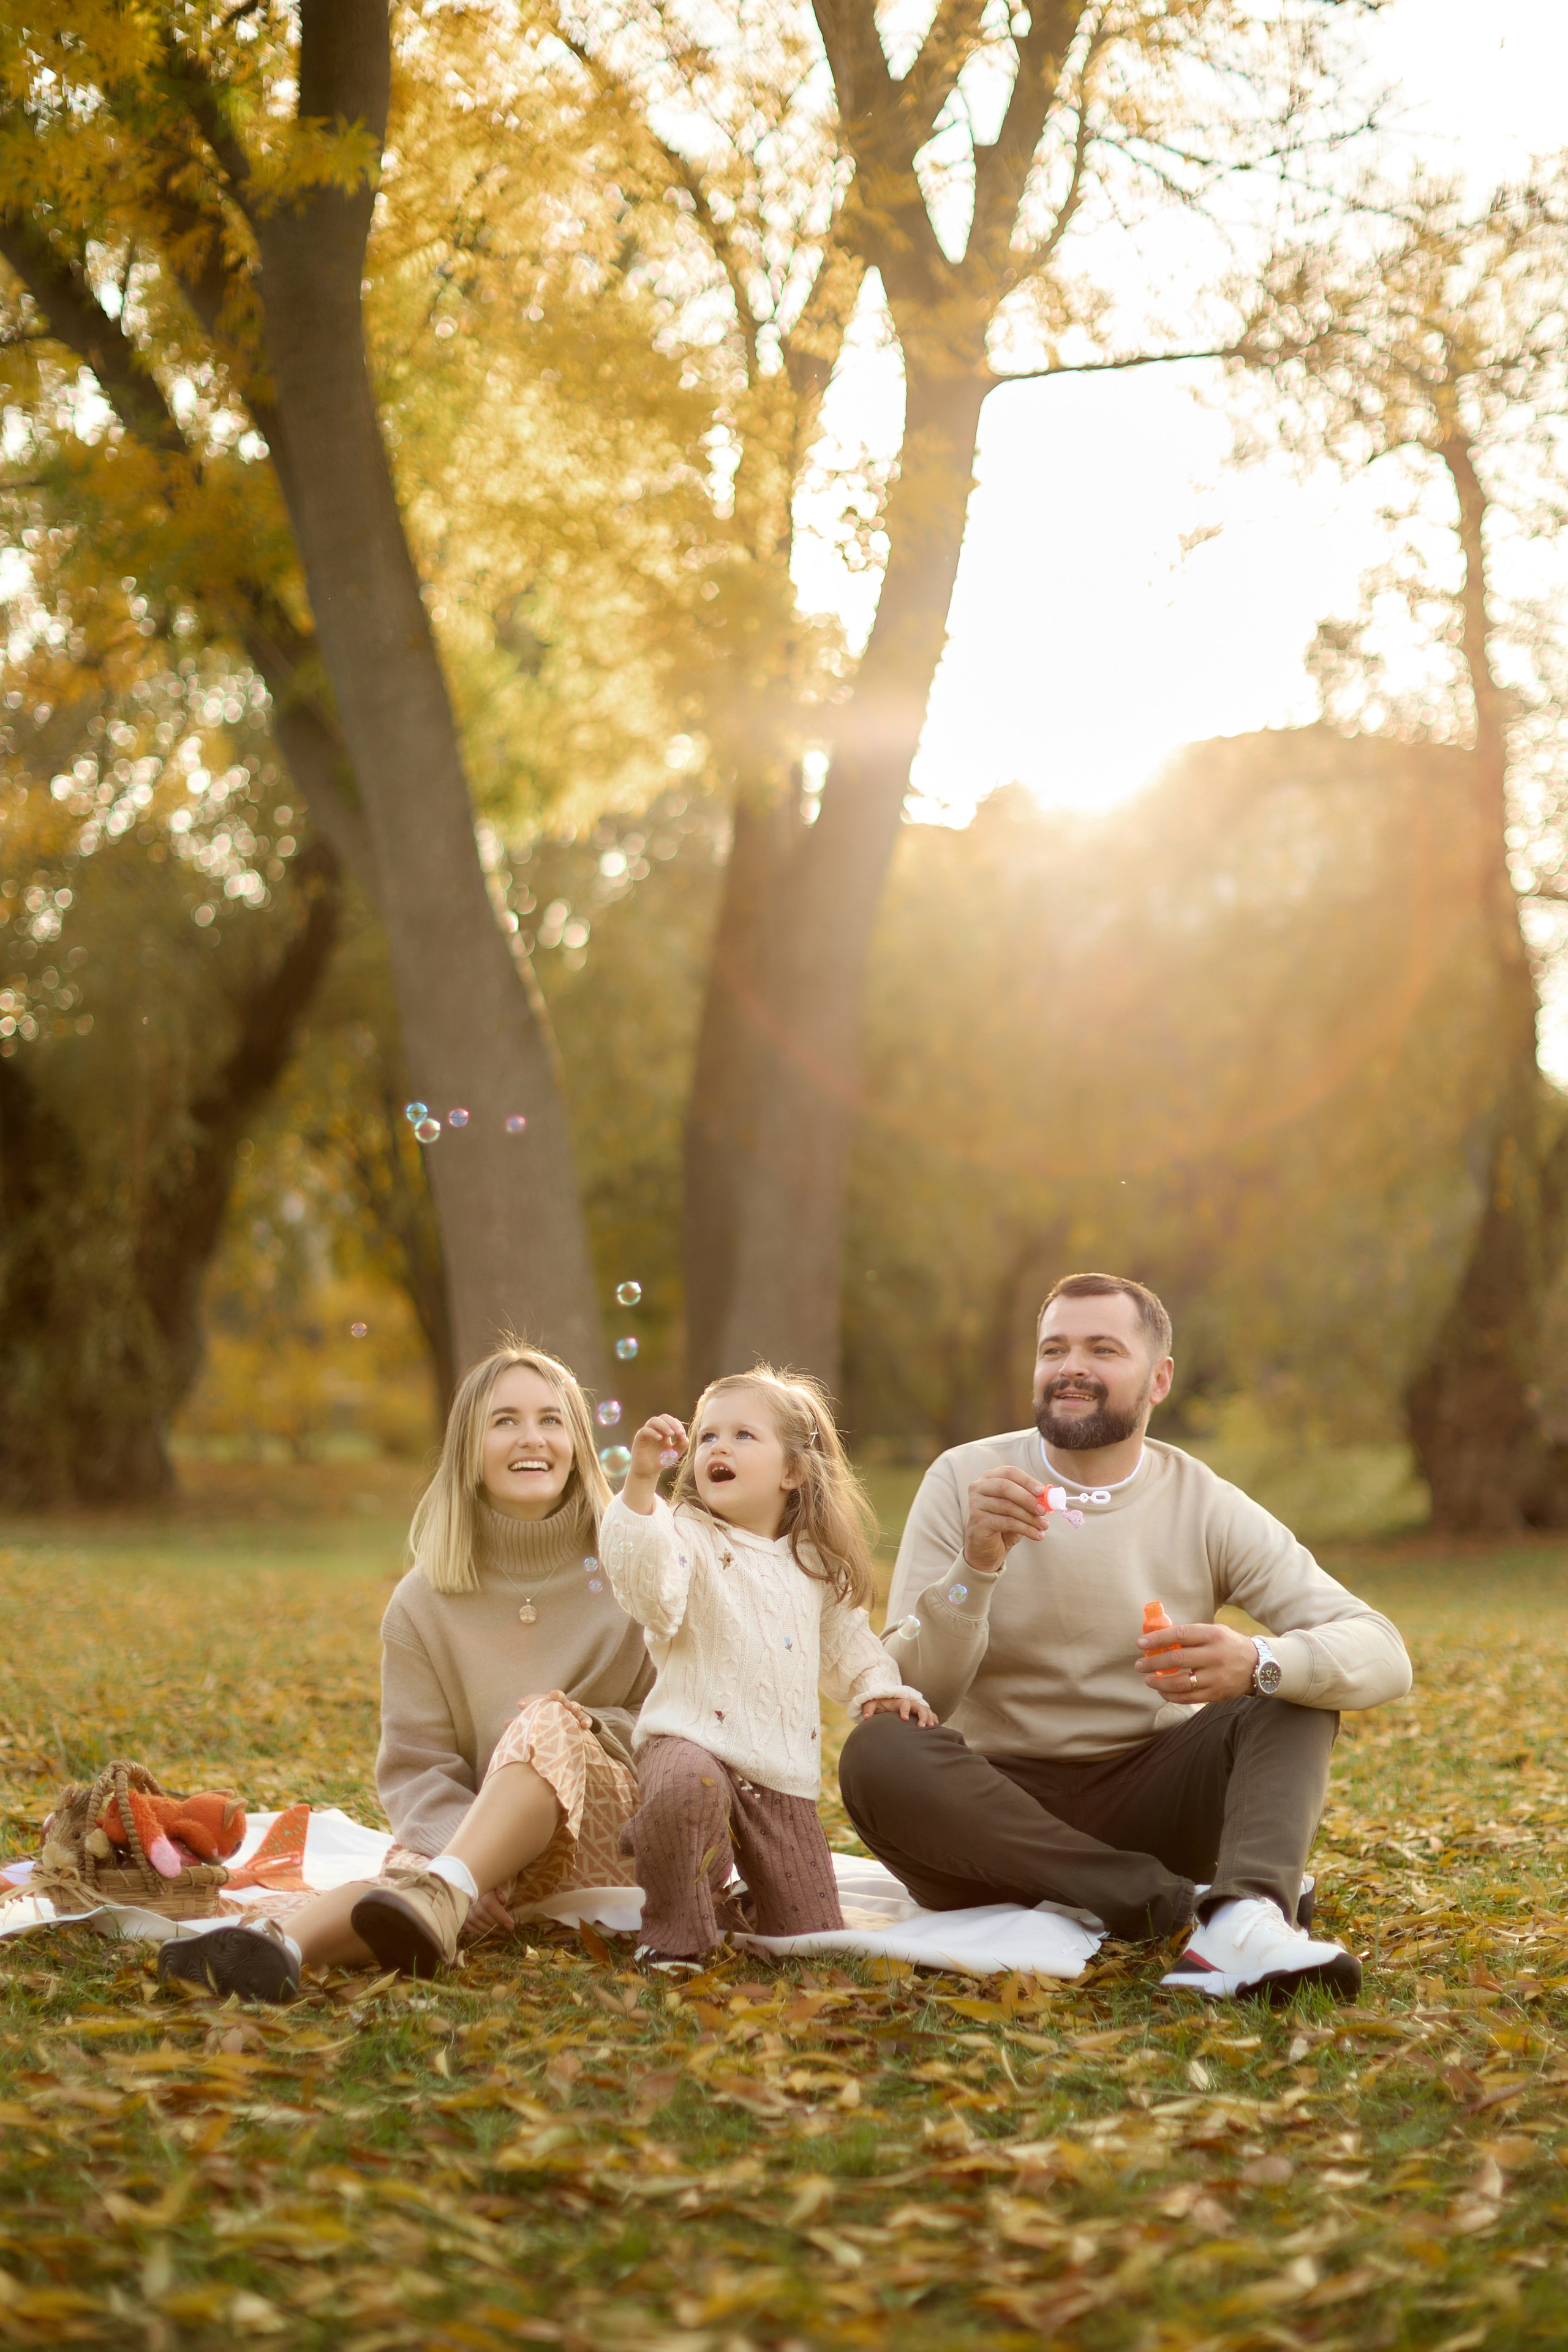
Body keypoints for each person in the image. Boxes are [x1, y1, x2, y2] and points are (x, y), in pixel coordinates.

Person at [837, 1273, 1412, 2003]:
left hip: (1153, 1799)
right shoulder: (965, 1479)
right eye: (1054, 1349)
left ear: (1158, 1378)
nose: (1070, 1367)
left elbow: (1381, 1649)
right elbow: (916, 1693)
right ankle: (1175, 1909)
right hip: (987, 1818)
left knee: (1290, 1686)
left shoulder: (1203, 1502)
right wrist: (974, 1566)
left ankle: (1245, 1918)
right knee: (879, 1748)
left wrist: (1258, 1660)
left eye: (1102, 1348)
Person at [159, 1343, 653, 1999]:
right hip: (482, 1858)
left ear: (579, 1443)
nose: (530, 1439)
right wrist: (467, 1860)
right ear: (469, 1450)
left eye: (551, 1420)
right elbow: (417, 1767)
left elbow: (673, 1722)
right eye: (503, 1421)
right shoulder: (423, 1603)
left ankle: (446, 1889)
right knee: (399, 1891)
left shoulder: (636, 1566)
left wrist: (573, 1726)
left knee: (549, 1722)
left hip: (606, 1829)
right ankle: (278, 1950)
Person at [601, 1368, 933, 1965]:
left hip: (776, 1770)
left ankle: (728, 1893)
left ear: (792, 1472)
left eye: (742, 1436)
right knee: (690, 1789)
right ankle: (675, 1931)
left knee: (809, 1939)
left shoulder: (812, 1564)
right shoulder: (684, 1535)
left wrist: (880, 1688)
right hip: (687, 1744)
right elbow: (647, 1592)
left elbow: (846, 1644)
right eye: (706, 1437)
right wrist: (640, 1485)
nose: (717, 1448)